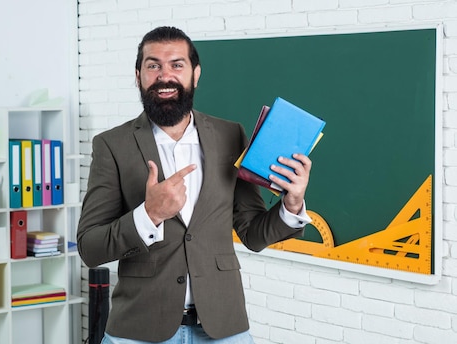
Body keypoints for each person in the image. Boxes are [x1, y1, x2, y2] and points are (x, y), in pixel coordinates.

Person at [77, 26, 313, 344]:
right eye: (153, 65)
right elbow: (90, 248)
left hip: (223, 327)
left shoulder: (231, 136)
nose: (165, 75)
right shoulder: (112, 145)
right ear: (138, 76)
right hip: (139, 328)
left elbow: (254, 234)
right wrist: (149, 215)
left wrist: (293, 204)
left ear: (195, 74)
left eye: (177, 64)